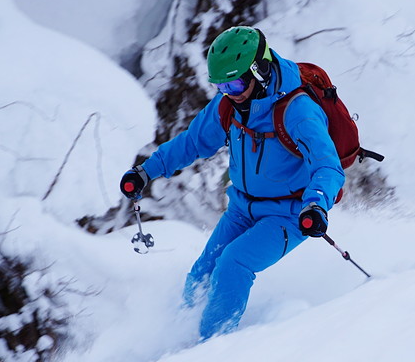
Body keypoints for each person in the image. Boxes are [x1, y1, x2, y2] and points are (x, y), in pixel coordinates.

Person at [120, 26, 345, 340]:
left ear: (260, 70)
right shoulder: (229, 104)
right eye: (221, 84)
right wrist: (146, 172)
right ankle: (178, 341)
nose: (229, 91)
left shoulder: (298, 111)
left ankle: (212, 352)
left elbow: (328, 167)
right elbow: (192, 142)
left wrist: (316, 206)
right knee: (200, 274)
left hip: (291, 214)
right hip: (242, 208)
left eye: (236, 82)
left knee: (232, 265)